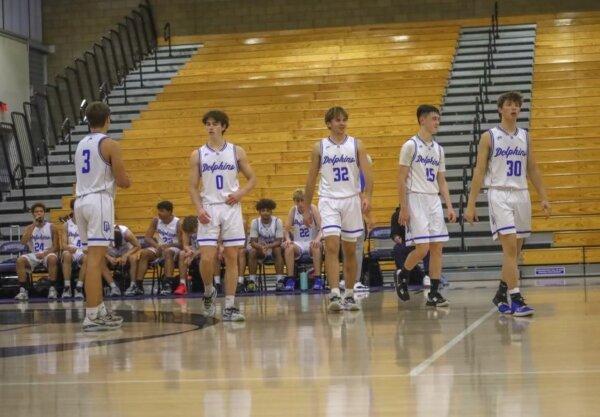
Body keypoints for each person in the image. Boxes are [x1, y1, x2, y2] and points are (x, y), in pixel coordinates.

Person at [465, 91, 551, 316]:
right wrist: (471, 204)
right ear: (500, 109)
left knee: (515, 252)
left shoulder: (525, 136)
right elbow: (479, 170)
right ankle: (516, 297)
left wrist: (543, 196)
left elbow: (533, 168)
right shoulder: (489, 136)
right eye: (510, 105)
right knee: (510, 248)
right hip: (499, 194)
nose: (514, 108)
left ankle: (500, 293)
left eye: (517, 105)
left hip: (521, 194)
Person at [302, 106, 373, 312]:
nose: (342, 123)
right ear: (329, 124)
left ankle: (349, 294)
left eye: (344, 120)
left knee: (349, 250)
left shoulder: (357, 145)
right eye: (337, 120)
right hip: (328, 200)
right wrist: (306, 209)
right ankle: (334, 293)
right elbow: (311, 179)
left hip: (351, 199)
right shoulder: (320, 147)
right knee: (332, 246)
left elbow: (368, 174)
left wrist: (367, 195)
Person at [189, 109, 256, 321]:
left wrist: (240, 193)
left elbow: (252, 178)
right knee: (207, 257)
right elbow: (192, 186)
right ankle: (209, 291)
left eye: (214, 123)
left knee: (232, 256)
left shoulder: (237, 151)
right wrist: (199, 209)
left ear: (223, 126)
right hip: (209, 206)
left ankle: (230, 305)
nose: (210, 127)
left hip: (230, 207)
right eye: (207, 123)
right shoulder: (197, 154)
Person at [73, 101, 130, 331]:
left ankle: (98, 309)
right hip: (99, 200)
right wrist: (128, 180)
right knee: (96, 260)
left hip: (80, 202)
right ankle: (93, 313)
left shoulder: (80, 144)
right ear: (108, 119)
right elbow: (123, 180)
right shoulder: (110, 144)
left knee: (91, 258)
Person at [396, 104, 457, 306]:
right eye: (434, 118)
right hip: (415, 198)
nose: (437, 122)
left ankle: (434, 293)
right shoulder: (410, 146)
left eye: (438, 119)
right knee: (422, 249)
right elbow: (401, 178)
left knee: (437, 247)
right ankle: (403, 275)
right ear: (422, 120)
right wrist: (403, 207)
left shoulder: (439, 150)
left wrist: (449, 206)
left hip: (433, 200)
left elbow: (442, 180)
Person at [126, 201, 181, 296]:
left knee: (168, 252)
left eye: (162, 211)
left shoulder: (178, 223)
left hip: (174, 249)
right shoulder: (156, 220)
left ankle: (167, 284)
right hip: (159, 247)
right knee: (144, 253)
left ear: (169, 212)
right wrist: (157, 246)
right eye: (158, 211)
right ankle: (139, 285)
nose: (159, 213)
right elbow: (147, 237)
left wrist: (168, 246)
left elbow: (182, 243)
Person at [14, 202, 60, 301]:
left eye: (41, 211)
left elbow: (56, 247)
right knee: (20, 260)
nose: (39, 213)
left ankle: (52, 289)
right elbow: (23, 242)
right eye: (36, 211)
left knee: (52, 258)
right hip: (34, 254)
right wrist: (34, 225)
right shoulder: (29, 227)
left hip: (48, 253)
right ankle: (23, 291)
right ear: (33, 214)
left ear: (44, 213)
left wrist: (45, 253)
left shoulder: (52, 227)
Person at [283, 189, 323, 291]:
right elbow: (286, 230)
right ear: (295, 201)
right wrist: (287, 239)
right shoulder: (293, 210)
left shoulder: (313, 208)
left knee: (316, 246)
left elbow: (322, 229)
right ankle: (290, 279)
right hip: (299, 243)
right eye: (298, 201)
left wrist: (317, 239)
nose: (300, 204)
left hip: (311, 241)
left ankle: (318, 279)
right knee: (288, 247)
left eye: (302, 200)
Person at [247, 198, 285, 291]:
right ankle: (252, 282)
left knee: (277, 249)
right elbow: (253, 242)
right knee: (252, 251)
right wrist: (261, 247)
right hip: (260, 249)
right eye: (263, 210)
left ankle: (279, 280)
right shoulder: (255, 222)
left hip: (273, 248)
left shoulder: (278, 221)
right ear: (259, 212)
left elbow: (279, 241)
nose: (265, 213)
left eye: (268, 210)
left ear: (271, 211)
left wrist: (268, 246)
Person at [389, 206, 430, 287]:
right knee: (397, 249)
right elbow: (394, 232)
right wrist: (396, 237)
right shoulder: (396, 215)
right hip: (405, 243)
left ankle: (427, 275)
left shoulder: (421, 213)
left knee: (428, 249)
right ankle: (403, 273)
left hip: (420, 242)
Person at [103, 224, 140, 296]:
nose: (116, 247)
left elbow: (138, 246)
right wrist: (109, 257)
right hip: (110, 255)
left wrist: (125, 255)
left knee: (133, 258)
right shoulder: (103, 234)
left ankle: (133, 285)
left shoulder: (127, 234)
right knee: (101, 261)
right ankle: (113, 287)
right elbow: (98, 250)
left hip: (125, 253)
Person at [61, 198, 86, 299]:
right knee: (66, 255)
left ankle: (79, 287)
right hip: (70, 251)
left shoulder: (87, 223)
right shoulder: (66, 224)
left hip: (83, 251)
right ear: (72, 209)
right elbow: (63, 244)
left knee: (87, 258)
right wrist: (67, 247)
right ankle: (67, 287)